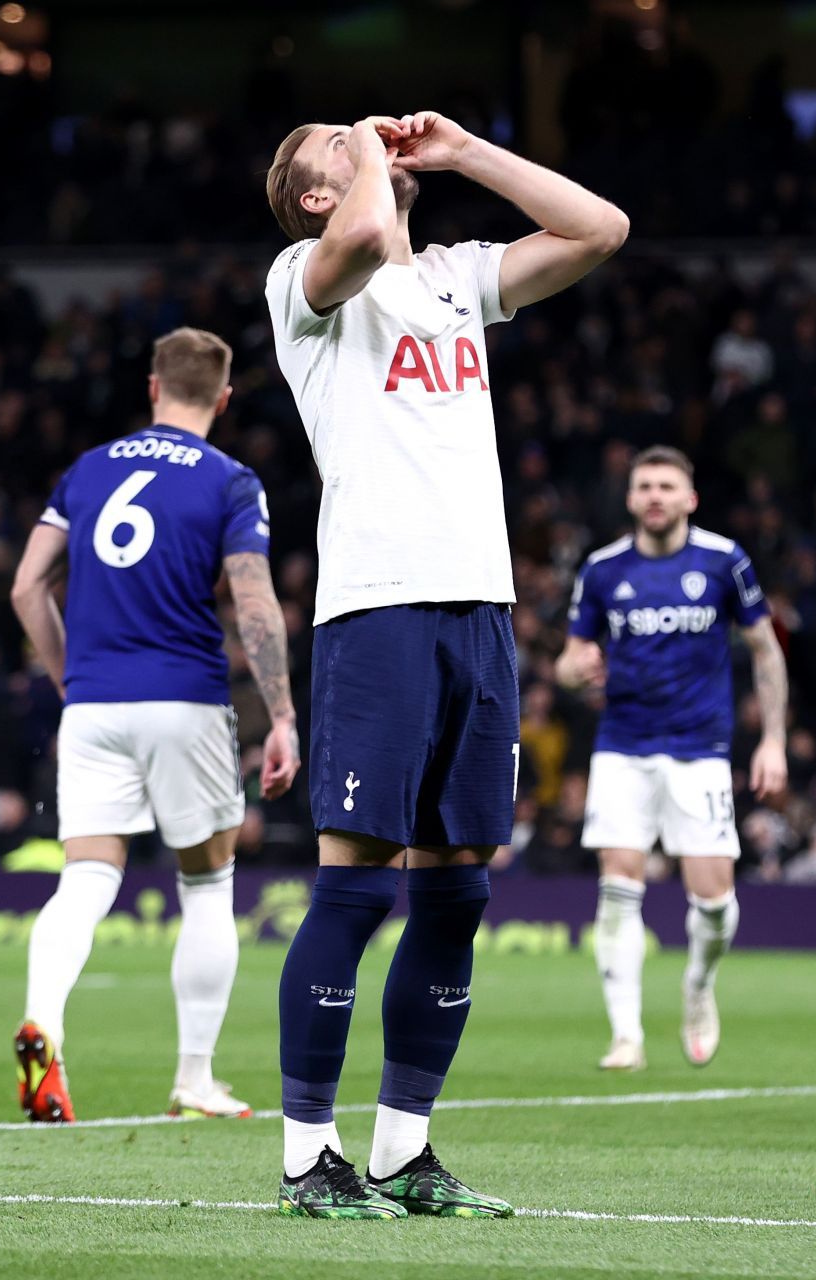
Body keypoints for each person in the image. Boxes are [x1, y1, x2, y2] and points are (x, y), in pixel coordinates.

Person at [263, 110, 627, 1218]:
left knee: (457, 884)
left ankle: (402, 1149)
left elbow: (600, 227)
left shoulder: (461, 279)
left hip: (478, 605)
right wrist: (373, 154)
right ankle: (305, 1154)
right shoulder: (305, 277)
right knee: (357, 877)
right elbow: (367, 237)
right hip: (376, 605)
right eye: (335, 139)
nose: (362, 136)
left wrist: (465, 154)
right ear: (314, 194)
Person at [7, 327, 300, 1125]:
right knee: (207, 886)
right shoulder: (231, 481)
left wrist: (73, 679)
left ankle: (46, 1027)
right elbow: (252, 602)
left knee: (86, 879)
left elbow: (28, 587)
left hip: (96, 704)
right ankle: (195, 1080)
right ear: (225, 398)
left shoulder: (89, 469)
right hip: (184, 699)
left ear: (152, 388)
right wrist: (280, 714)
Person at [555, 445, 788, 1072]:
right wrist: (575, 671)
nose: (654, 496)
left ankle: (698, 985)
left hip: (700, 749)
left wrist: (772, 740)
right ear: (631, 499)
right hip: (622, 746)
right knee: (617, 887)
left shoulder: (723, 560)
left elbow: (766, 650)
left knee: (714, 904)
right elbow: (568, 660)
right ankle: (626, 1033)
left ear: (689, 498)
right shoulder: (603, 570)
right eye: (644, 486)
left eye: (666, 486)